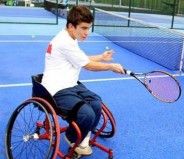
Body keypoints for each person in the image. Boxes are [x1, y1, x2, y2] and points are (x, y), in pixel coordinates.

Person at [41, 6, 124, 156]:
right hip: (56, 90)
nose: (87, 32)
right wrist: (111, 66)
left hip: (70, 85)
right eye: (84, 28)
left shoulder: (70, 37)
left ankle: (83, 137)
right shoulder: (64, 42)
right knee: (87, 114)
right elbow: (87, 65)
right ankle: (71, 137)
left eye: (89, 28)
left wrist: (101, 57)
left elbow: (80, 58)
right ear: (71, 26)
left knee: (96, 103)